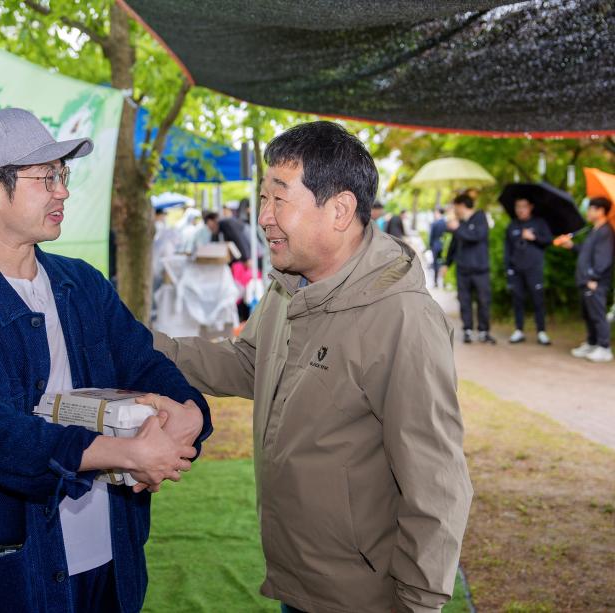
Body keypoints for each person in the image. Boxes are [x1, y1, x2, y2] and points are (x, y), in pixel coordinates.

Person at [155, 121, 472, 612]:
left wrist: (418, 602)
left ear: (340, 210)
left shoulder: (402, 317)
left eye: (279, 200)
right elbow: (249, 365)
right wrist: (144, 348)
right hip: (298, 579)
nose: (263, 217)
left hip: (360, 596)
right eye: (263, 199)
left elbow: (436, 479)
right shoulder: (290, 286)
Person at [0, 108, 212, 613]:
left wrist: (191, 412)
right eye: (46, 178)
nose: (63, 191)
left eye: (63, 175)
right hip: (21, 569)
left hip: (111, 552)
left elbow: (145, 364)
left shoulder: (81, 283)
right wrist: (123, 453)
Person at [560, 197, 615, 363]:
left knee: (597, 314)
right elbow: (585, 252)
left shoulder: (606, 232)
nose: (588, 212)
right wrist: (571, 246)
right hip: (585, 280)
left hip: (595, 282)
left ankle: (604, 347)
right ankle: (592, 342)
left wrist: (594, 278)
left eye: (591, 208)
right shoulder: (593, 230)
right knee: (588, 314)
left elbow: (603, 259)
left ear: (600, 210)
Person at [444, 194, 495, 344]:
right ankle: (467, 330)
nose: (454, 210)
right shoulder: (459, 223)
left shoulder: (480, 219)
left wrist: (457, 228)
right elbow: (454, 244)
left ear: (462, 206)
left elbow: (475, 237)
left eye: (455, 206)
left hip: (480, 269)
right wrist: (447, 263)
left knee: (483, 300)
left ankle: (484, 331)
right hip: (463, 269)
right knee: (464, 300)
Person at [504, 198, 553, 345]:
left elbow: (548, 240)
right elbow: (507, 250)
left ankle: (541, 331)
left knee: (538, 300)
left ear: (530, 207)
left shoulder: (539, 223)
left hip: (534, 269)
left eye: (523, 206)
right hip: (516, 270)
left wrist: (534, 237)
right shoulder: (512, 225)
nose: (520, 209)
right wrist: (508, 269)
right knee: (517, 300)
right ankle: (519, 330)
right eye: (517, 206)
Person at [429, 207, 448, 288]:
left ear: (438, 213)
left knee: (436, 263)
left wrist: (430, 245)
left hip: (435, 245)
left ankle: (436, 282)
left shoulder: (435, 223)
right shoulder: (445, 223)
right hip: (444, 245)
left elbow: (431, 236)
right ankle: (444, 282)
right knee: (443, 263)